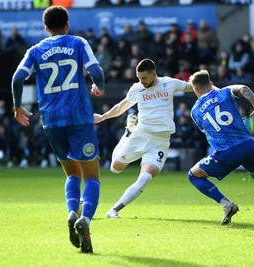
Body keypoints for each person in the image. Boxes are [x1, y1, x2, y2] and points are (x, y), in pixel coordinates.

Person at [11, 6, 105, 253]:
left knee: (71, 174)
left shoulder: (35, 50)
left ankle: (72, 212)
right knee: (92, 176)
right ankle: (85, 220)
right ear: (67, 24)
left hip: (52, 121)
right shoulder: (77, 42)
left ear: (45, 28)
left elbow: (17, 79)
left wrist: (17, 106)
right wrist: (99, 86)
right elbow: (96, 70)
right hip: (79, 118)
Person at [187, 70, 254, 225]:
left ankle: (226, 204)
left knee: (193, 175)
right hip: (249, 146)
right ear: (211, 83)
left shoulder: (195, 111)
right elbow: (243, 88)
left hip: (226, 152)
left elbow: (206, 129)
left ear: (195, 89)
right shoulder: (225, 92)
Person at [94, 58, 193, 219]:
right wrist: (103, 117)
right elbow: (121, 106)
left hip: (160, 141)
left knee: (145, 177)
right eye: (139, 78)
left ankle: (113, 210)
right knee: (116, 168)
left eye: (145, 78)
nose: (142, 81)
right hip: (140, 135)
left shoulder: (169, 83)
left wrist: (220, 90)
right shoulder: (137, 88)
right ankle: (128, 132)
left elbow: (194, 86)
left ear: (154, 73)